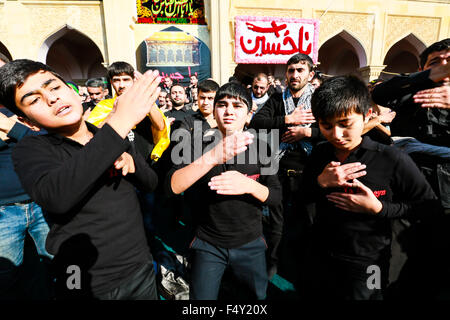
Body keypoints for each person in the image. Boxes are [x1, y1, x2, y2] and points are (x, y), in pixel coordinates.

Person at [0, 59, 162, 299]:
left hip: (138, 269)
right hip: (81, 278)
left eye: (54, 87)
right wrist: (118, 124)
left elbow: (151, 183)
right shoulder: (33, 149)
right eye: (34, 100)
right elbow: (55, 196)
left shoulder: (107, 136)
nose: (51, 99)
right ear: (26, 120)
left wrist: (132, 163)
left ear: (71, 90)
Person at [301, 75, 440, 300]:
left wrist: (380, 208)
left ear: (367, 116)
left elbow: (429, 207)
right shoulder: (319, 154)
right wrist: (320, 183)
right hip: (323, 255)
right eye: (326, 126)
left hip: (370, 261)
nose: (336, 135)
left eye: (345, 124)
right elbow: (301, 200)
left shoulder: (391, 158)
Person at [165, 82, 282, 300]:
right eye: (222, 104)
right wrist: (213, 157)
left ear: (249, 114)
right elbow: (172, 186)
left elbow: (275, 196)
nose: (229, 111)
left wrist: (250, 185)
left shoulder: (262, 147)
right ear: (214, 111)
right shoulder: (195, 144)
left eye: (237, 105)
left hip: (251, 243)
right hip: (207, 244)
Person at [371, 38, 450, 299]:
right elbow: (379, 93)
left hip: (446, 197)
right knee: (397, 266)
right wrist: (427, 76)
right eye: (435, 62)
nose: (444, 67)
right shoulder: (413, 90)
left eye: (449, 62)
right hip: (405, 192)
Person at [249, 53, 321, 284]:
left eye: (300, 70)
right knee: (276, 221)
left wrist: (307, 132)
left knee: (309, 219)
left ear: (310, 75)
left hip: (310, 169)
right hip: (279, 167)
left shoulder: (320, 99)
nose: (294, 75)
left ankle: (306, 266)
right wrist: (287, 120)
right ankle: (274, 262)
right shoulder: (277, 99)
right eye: (291, 70)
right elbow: (258, 122)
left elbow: (334, 129)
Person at [0, 57, 53, 299]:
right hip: (3, 213)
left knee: (56, 266)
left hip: (42, 203)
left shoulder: (28, 106)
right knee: (7, 277)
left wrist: (12, 128)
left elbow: (49, 143)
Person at [87, 61, 168, 163]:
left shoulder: (146, 102)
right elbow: (94, 135)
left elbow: (160, 127)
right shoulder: (104, 106)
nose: (121, 85)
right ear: (111, 82)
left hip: (146, 160)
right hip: (118, 162)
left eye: (126, 80)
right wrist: (113, 113)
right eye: (117, 80)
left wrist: (148, 97)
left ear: (134, 81)